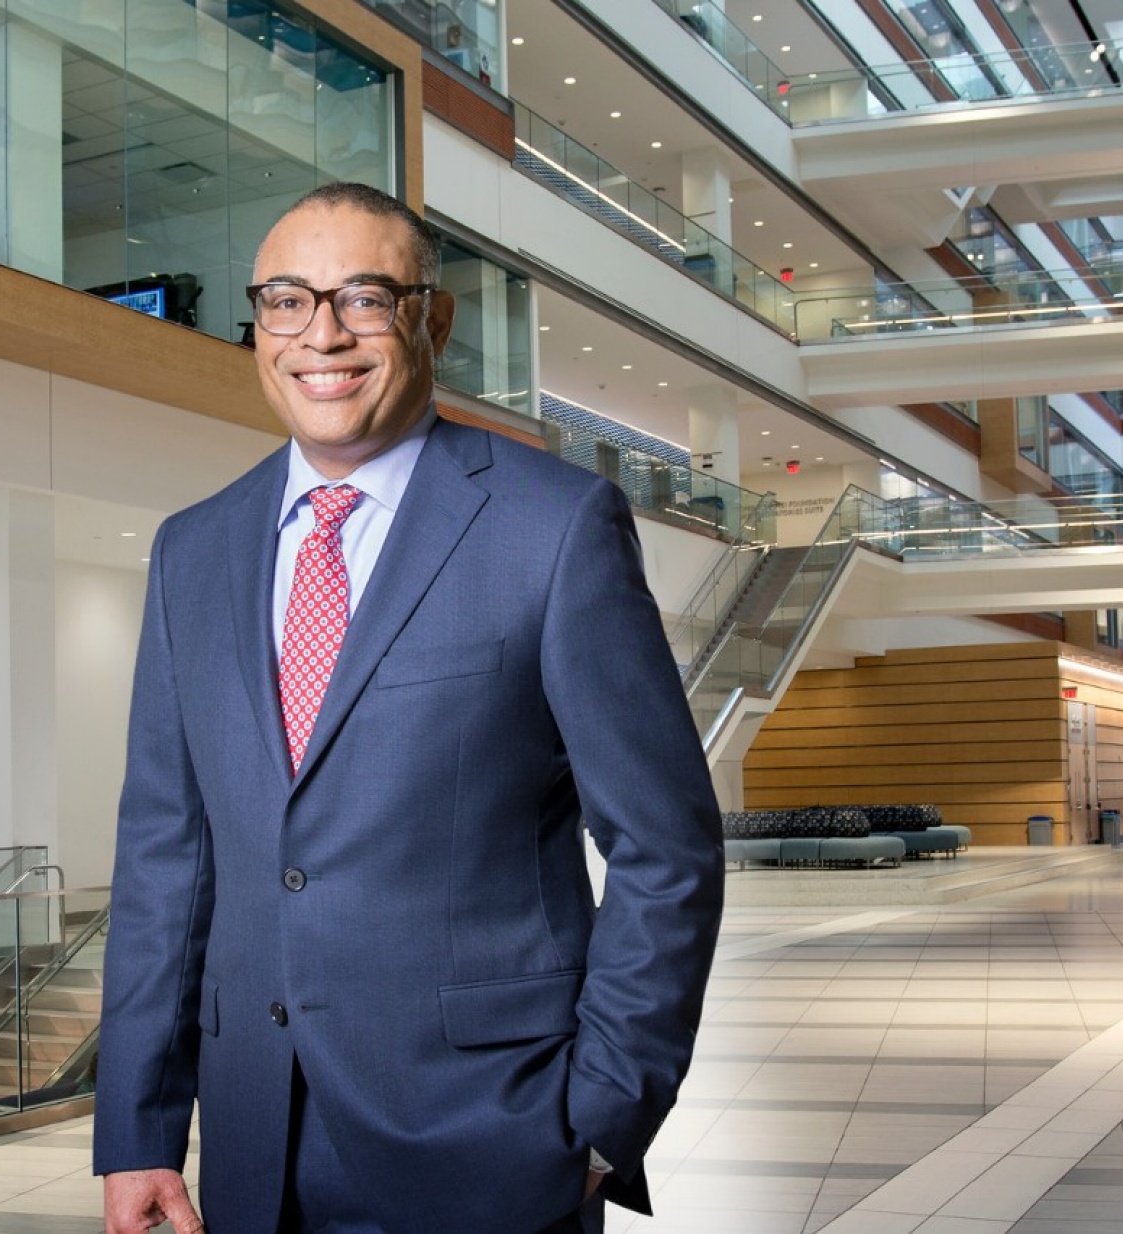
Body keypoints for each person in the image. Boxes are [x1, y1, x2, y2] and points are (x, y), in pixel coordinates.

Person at [94, 182, 725, 1234]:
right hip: (254, 1145)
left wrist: (602, 1121)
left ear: (433, 319)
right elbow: (166, 854)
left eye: (365, 299)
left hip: (494, 1141)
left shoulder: (555, 525)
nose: (322, 336)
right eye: (287, 301)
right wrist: (139, 1127)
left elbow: (666, 847)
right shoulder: (191, 549)